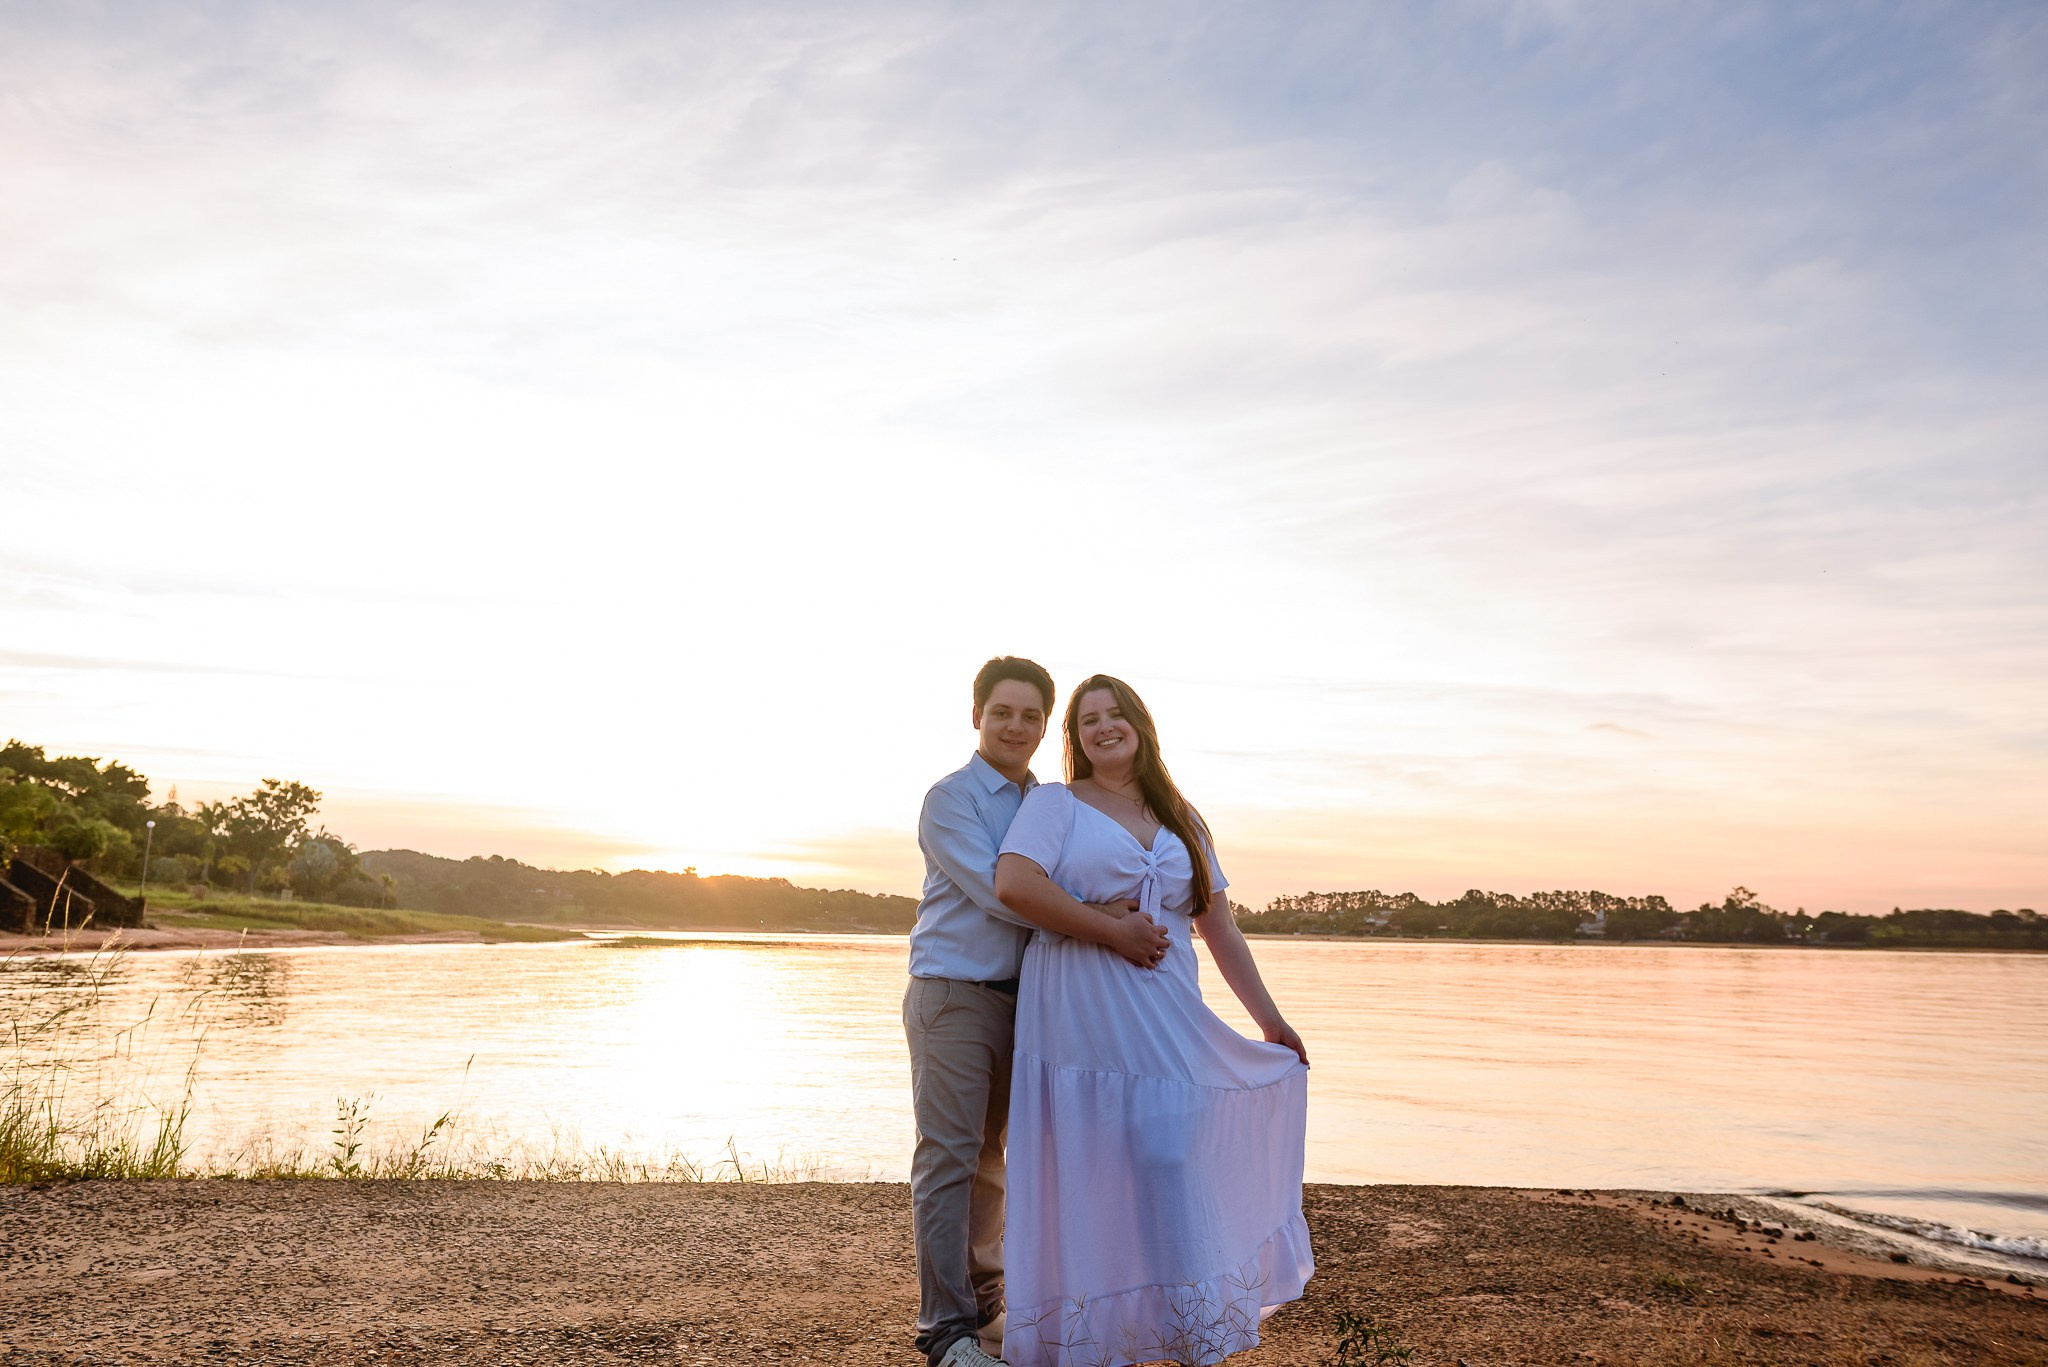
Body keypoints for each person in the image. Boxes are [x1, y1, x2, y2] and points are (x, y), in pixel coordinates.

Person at [993, 674, 1312, 1367]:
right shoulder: (1057, 804)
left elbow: (1218, 924)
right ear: (1075, 739)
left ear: (1140, 722)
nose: (1103, 727)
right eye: (1087, 721)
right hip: (1082, 1015)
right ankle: (1097, 1345)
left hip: (1169, 1017)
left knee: (1171, 1158)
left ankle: (1186, 1331)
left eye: (1114, 714)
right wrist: (1111, 933)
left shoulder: (1183, 817)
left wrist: (1271, 1019)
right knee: (1094, 1169)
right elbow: (1016, 884)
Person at [907, 657, 1173, 1367]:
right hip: (955, 992)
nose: (1016, 726)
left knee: (993, 1162)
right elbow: (1006, 893)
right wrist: (1100, 920)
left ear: (1044, 724)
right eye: (1003, 712)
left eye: (1031, 715)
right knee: (949, 1159)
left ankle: (987, 1306)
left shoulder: (1052, 800)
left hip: (1027, 999)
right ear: (977, 716)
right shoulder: (951, 799)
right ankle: (945, 1332)